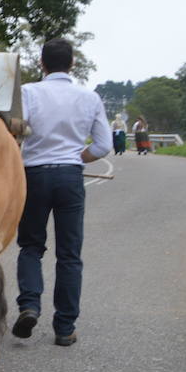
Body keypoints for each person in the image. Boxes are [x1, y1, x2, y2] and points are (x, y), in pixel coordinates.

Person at [13, 38, 111, 347]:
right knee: (69, 254)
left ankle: (30, 304)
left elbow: (14, 130)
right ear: (72, 64)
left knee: (31, 245)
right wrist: (76, 158)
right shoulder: (89, 97)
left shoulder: (28, 92)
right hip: (70, 178)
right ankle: (65, 327)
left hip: (34, 175)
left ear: (42, 63)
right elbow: (103, 146)